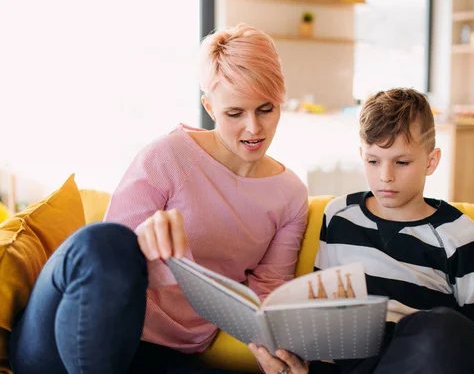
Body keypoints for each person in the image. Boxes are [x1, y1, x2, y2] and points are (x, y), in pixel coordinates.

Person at [9, 24, 309, 374]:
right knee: (106, 241)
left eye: (266, 109)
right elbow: (106, 265)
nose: (254, 129)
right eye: (235, 113)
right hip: (69, 332)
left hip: (162, 355)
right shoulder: (168, 155)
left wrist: (273, 354)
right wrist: (149, 246)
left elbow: (268, 293)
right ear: (210, 107)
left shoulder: (290, 195)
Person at [251, 88, 474, 374]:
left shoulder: (457, 232)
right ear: (361, 155)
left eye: (401, 162)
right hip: (352, 359)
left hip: (420, 355)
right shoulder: (339, 216)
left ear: (431, 161)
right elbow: (323, 314)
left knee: (449, 329)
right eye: (373, 161)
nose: (385, 176)